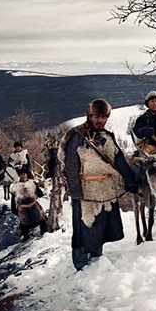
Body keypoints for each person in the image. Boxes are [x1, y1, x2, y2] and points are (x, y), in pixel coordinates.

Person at [60, 98, 138, 270]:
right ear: (90, 115)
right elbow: (71, 165)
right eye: (97, 116)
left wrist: (130, 180)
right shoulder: (77, 136)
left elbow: (119, 160)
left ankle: (96, 258)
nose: (100, 121)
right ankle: (80, 263)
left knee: (100, 225)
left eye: (104, 117)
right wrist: (75, 192)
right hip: (85, 190)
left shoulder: (107, 137)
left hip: (105, 189)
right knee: (84, 227)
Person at [10, 169, 47, 241]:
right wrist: (14, 209)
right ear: (19, 176)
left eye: (24, 174)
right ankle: (26, 237)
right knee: (24, 224)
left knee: (42, 219)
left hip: (34, 205)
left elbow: (39, 193)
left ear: (26, 175)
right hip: (23, 208)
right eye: (21, 175)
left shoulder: (32, 183)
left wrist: (40, 193)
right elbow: (13, 199)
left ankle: (43, 233)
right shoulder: (15, 186)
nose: (23, 176)